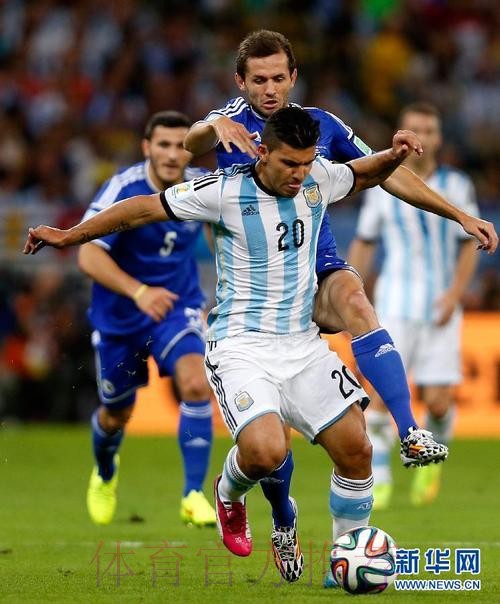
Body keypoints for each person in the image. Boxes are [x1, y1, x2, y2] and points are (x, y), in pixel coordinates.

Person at [24, 108, 497, 586]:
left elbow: (367, 172)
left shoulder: (319, 178)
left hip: (303, 345)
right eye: (290, 163)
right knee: (267, 451)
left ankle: (342, 559)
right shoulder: (223, 192)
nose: (299, 175)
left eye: (307, 163)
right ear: (264, 153)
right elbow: (142, 208)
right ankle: (228, 493)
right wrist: (70, 236)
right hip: (241, 347)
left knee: (356, 449)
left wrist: (396, 157)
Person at [182, 29, 493, 577]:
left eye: (279, 78)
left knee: (357, 304)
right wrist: (211, 126)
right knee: (270, 446)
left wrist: (460, 216)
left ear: (293, 77)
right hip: (257, 296)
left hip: (315, 269)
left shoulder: (319, 126)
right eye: (259, 80)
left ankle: (408, 431)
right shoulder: (228, 125)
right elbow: (189, 144)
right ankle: (279, 516)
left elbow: (383, 173)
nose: (270, 89)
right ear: (241, 82)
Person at [77, 111, 216, 527]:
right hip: (121, 316)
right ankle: (105, 472)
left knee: (196, 383)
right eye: (164, 145)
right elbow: (88, 253)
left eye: (181, 146)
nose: (173, 155)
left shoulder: (202, 188)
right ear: (147, 148)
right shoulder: (124, 188)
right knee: (116, 414)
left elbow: (223, 236)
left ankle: (192, 494)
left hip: (176, 307)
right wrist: (139, 291)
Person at [348, 102, 480, 509]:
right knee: (380, 392)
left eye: (429, 129)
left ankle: (431, 461)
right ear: (401, 132)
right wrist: (350, 293)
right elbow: (365, 242)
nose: (422, 135)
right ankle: (381, 475)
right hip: (394, 301)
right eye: (414, 127)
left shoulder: (456, 185)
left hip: (440, 305)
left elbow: (469, 245)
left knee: (438, 401)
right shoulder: (381, 182)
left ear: (439, 138)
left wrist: (455, 294)